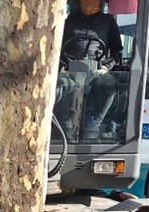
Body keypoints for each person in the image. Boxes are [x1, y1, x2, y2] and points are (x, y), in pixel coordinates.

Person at [58, 0, 126, 139]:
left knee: (109, 84)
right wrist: (61, 66)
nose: (92, 2)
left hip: (96, 71)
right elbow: (55, 48)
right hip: (70, 70)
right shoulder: (68, 21)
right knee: (56, 88)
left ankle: (94, 121)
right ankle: (65, 123)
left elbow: (116, 51)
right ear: (79, 2)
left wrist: (106, 67)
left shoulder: (109, 22)